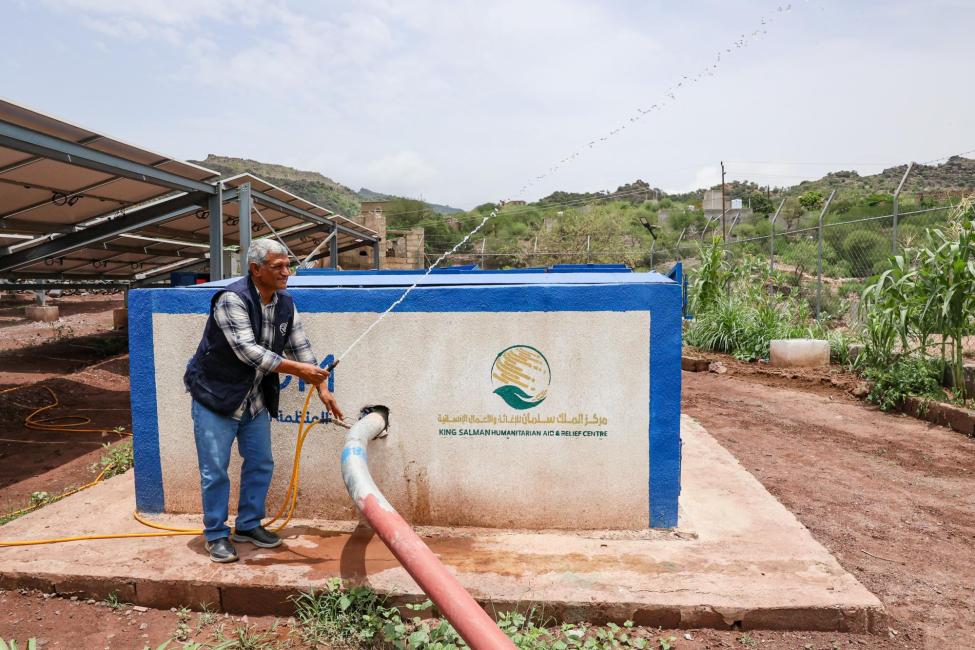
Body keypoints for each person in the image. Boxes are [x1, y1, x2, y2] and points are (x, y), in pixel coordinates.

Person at [183, 239, 344, 563]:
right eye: (278, 266)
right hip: (217, 397)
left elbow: (300, 346)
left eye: (288, 265)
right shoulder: (232, 300)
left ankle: (248, 525)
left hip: (254, 400)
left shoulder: (285, 303)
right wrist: (299, 370)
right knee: (215, 470)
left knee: (260, 463)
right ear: (256, 270)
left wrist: (322, 389)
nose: (287, 272)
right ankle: (216, 535)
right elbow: (247, 351)